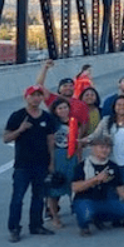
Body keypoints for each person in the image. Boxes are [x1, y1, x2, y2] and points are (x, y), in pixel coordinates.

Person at [3, 85, 57, 242]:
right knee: (18, 198)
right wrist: (20, 130)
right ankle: (14, 228)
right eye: (33, 95)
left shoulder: (46, 117)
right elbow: (6, 138)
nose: (36, 98)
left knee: (39, 197)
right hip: (23, 165)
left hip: (41, 164)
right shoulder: (18, 116)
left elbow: (50, 140)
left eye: (39, 95)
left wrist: (51, 162)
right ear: (26, 97)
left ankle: (36, 225)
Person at [71, 135, 124, 237]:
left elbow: (120, 188)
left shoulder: (112, 166)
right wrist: (95, 179)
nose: (105, 150)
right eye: (102, 147)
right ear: (93, 148)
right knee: (86, 212)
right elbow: (75, 187)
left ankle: (99, 219)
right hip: (84, 199)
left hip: (103, 201)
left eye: (108, 147)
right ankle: (84, 226)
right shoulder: (82, 166)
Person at [85, 95, 124, 196]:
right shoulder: (106, 120)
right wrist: (83, 140)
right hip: (111, 160)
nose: (121, 107)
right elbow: (96, 135)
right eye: (118, 104)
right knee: (112, 187)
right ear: (114, 106)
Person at [46, 98, 79, 229]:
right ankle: (55, 216)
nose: (63, 111)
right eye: (60, 108)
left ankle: (77, 211)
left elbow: (78, 142)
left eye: (65, 107)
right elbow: (49, 144)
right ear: (55, 110)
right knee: (55, 188)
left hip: (71, 157)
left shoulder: (74, 122)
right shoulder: (52, 124)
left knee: (73, 186)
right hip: (58, 155)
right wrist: (51, 162)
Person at [34, 60, 90, 128]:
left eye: (71, 86)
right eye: (65, 86)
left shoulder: (81, 104)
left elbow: (84, 124)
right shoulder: (52, 98)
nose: (68, 88)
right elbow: (39, 86)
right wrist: (45, 68)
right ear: (59, 89)